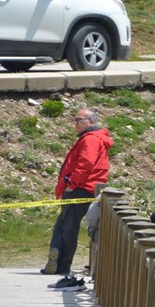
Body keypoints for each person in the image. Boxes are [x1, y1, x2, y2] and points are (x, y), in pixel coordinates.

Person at [43, 108, 111, 279]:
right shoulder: (92, 139)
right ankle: (56, 253)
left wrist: (71, 185)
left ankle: (61, 265)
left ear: (90, 122)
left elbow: (86, 164)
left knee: (68, 227)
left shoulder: (91, 140)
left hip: (80, 188)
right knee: (63, 223)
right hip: (86, 188)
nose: (75, 123)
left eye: (78, 119)